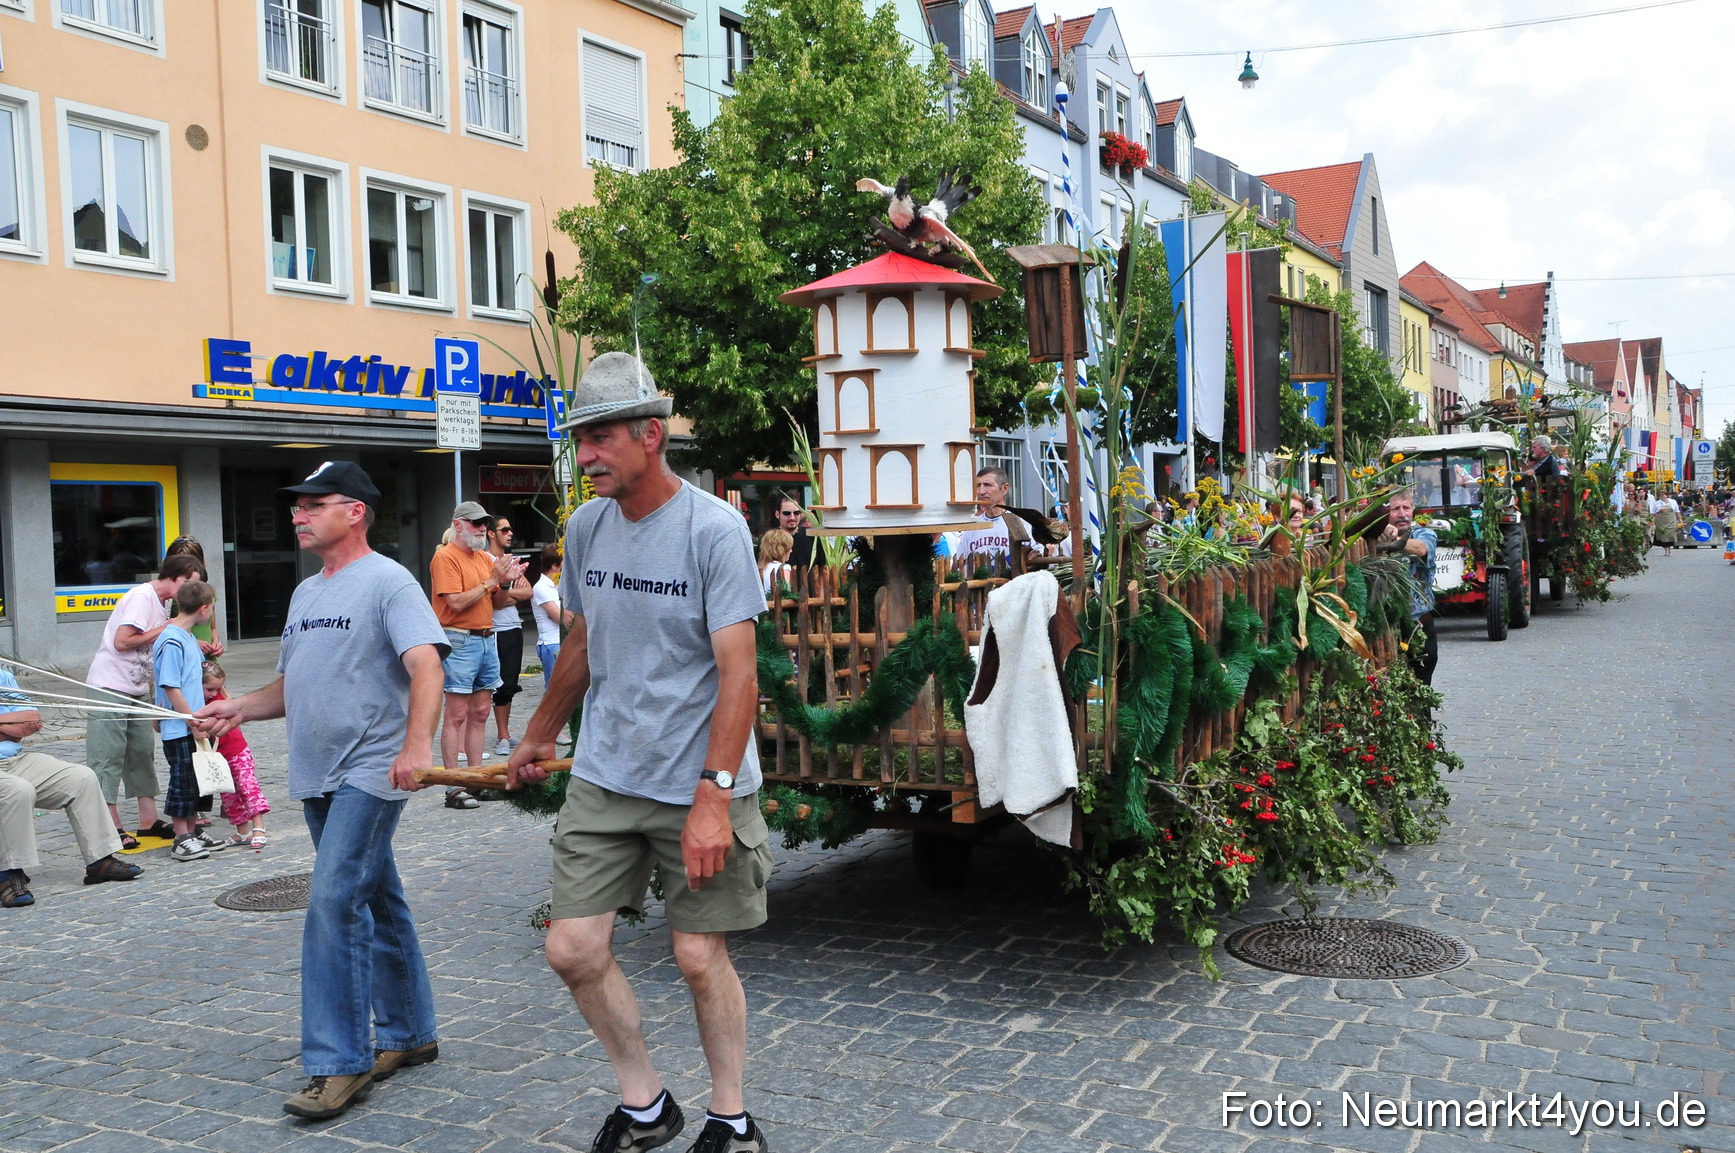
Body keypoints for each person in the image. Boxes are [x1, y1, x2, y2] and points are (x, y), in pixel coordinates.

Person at [506, 352, 774, 1153]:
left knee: (697, 954)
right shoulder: (587, 527)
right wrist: (539, 730)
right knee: (572, 947)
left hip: (699, 777)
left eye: (600, 437)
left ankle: (732, 1119)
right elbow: (583, 639)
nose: (585, 454)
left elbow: (740, 673)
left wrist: (713, 797)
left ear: (649, 435)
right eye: (580, 439)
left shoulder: (712, 529)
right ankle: (646, 1103)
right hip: (606, 773)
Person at [195, 460, 448, 1122]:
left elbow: (426, 664)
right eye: (296, 506)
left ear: (355, 511)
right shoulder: (306, 593)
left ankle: (340, 1060)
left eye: (314, 504)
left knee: (333, 902)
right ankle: (410, 1031)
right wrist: (239, 707)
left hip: (371, 767)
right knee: (376, 896)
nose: (298, 514)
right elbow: (293, 684)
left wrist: (416, 746)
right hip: (316, 769)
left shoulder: (389, 581)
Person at [85, 552, 205, 847]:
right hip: (110, 684)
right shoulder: (142, 597)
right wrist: (166, 628)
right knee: (108, 755)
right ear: (174, 577)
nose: (189, 591)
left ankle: (148, 821)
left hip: (137, 687)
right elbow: (122, 641)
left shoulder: (165, 603)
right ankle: (110, 825)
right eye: (188, 583)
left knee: (141, 751)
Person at [0, 668, 141, 907]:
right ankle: (8, 874)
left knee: (81, 777)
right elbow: (19, 723)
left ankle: (100, 860)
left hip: (14, 759)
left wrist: (11, 727)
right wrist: (10, 724)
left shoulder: (2, 676)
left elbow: (32, 721)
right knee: (17, 790)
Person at [429, 502, 524, 807]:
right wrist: (493, 580)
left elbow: (498, 604)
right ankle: (454, 785)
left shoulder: (484, 558)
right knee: (456, 714)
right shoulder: (445, 557)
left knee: (481, 712)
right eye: (475, 523)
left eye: (484, 522)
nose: (482, 528)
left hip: (486, 638)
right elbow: (456, 603)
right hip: (458, 639)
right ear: (458, 525)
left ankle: (476, 779)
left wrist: (505, 581)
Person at [153, 580, 225, 862]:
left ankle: (192, 831)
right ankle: (181, 837)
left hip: (193, 723)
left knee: (198, 781)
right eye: (213, 608)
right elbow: (170, 685)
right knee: (183, 782)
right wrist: (191, 720)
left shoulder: (187, 637)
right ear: (204, 609)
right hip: (181, 726)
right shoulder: (172, 640)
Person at [204, 661, 269, 850]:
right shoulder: (198, 702)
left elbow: (229, 700)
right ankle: (243, 831)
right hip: (219, 755)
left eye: (217, 688)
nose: (213, 693)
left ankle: (259, 826)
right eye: (209, 689)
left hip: (237, 751)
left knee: (248, 787)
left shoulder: (220, 700)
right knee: (228, 794)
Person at [1378, 490, 1438, 686]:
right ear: (1386, 513)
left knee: (1421, 684)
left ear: (1413, 510)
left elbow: (1421, 548)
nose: (1402, 514)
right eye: (1396, 509)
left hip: (1419, 625)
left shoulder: (1424, 533)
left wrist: (1395, 541)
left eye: (1406, 507)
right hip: (1387, 630)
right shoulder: (1376, 536)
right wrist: (1381, 536)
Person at [486, 515, 533, 757]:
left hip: (513, 626)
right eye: (504, 529)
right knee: (495, 685)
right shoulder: (485, 560)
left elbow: (528, 592)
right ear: (491, 533)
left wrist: (504, 594)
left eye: (510, 529)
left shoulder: (512, 561)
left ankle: (504, 733)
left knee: (510, 682)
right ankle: (500, 735)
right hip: (494, 629)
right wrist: (504, 593)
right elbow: (492, 600)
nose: (510, 533)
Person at [949, 466, 1033, 572]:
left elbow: (1036, 556)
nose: (981, 491)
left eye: (987, 485)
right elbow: (960, 563)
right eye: (978, 486)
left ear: (1005, 488)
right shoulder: (972, 526)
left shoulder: (1021, 523)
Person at [164, 536, 226, 658]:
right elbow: (163, 632)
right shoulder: (169, 595)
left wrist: (216, 642)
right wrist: (192, 642)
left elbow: (212, 628)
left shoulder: (207, 591)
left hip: (208, 660)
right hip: (183, 657)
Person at [531, 544, 568, 690]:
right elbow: (560, 617)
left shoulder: (558, 584)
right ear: (554, 565)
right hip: (551, 642)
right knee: (555, 688)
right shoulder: (541, 587)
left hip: (562, 641)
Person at [775, 493, 818, 568]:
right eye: (787, 513)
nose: (792, 517)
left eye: (796, 513)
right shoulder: (770, 541)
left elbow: (823, 568)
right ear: (777, 514)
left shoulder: (813, 536)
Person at [758, 529, 793, 596]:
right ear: (781, 549)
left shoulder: (760, 568)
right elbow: (787, 592)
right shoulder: (784, 568)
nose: (791, 550)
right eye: (789, 548)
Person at [1650, 489, 1680, 556]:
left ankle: (1668, 547)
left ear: (1666, 495)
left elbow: (1677, 511)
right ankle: (1666, 549)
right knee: (1663, 536)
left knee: (1671, 534)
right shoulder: (1657, 503)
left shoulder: (1673, 502)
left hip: (1671, 521)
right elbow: (1653, 513)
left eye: (1663, 494)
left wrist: (1680, 520)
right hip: (1661, 522)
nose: (1662, 496)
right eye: (1661, 494)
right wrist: (1650, 520)